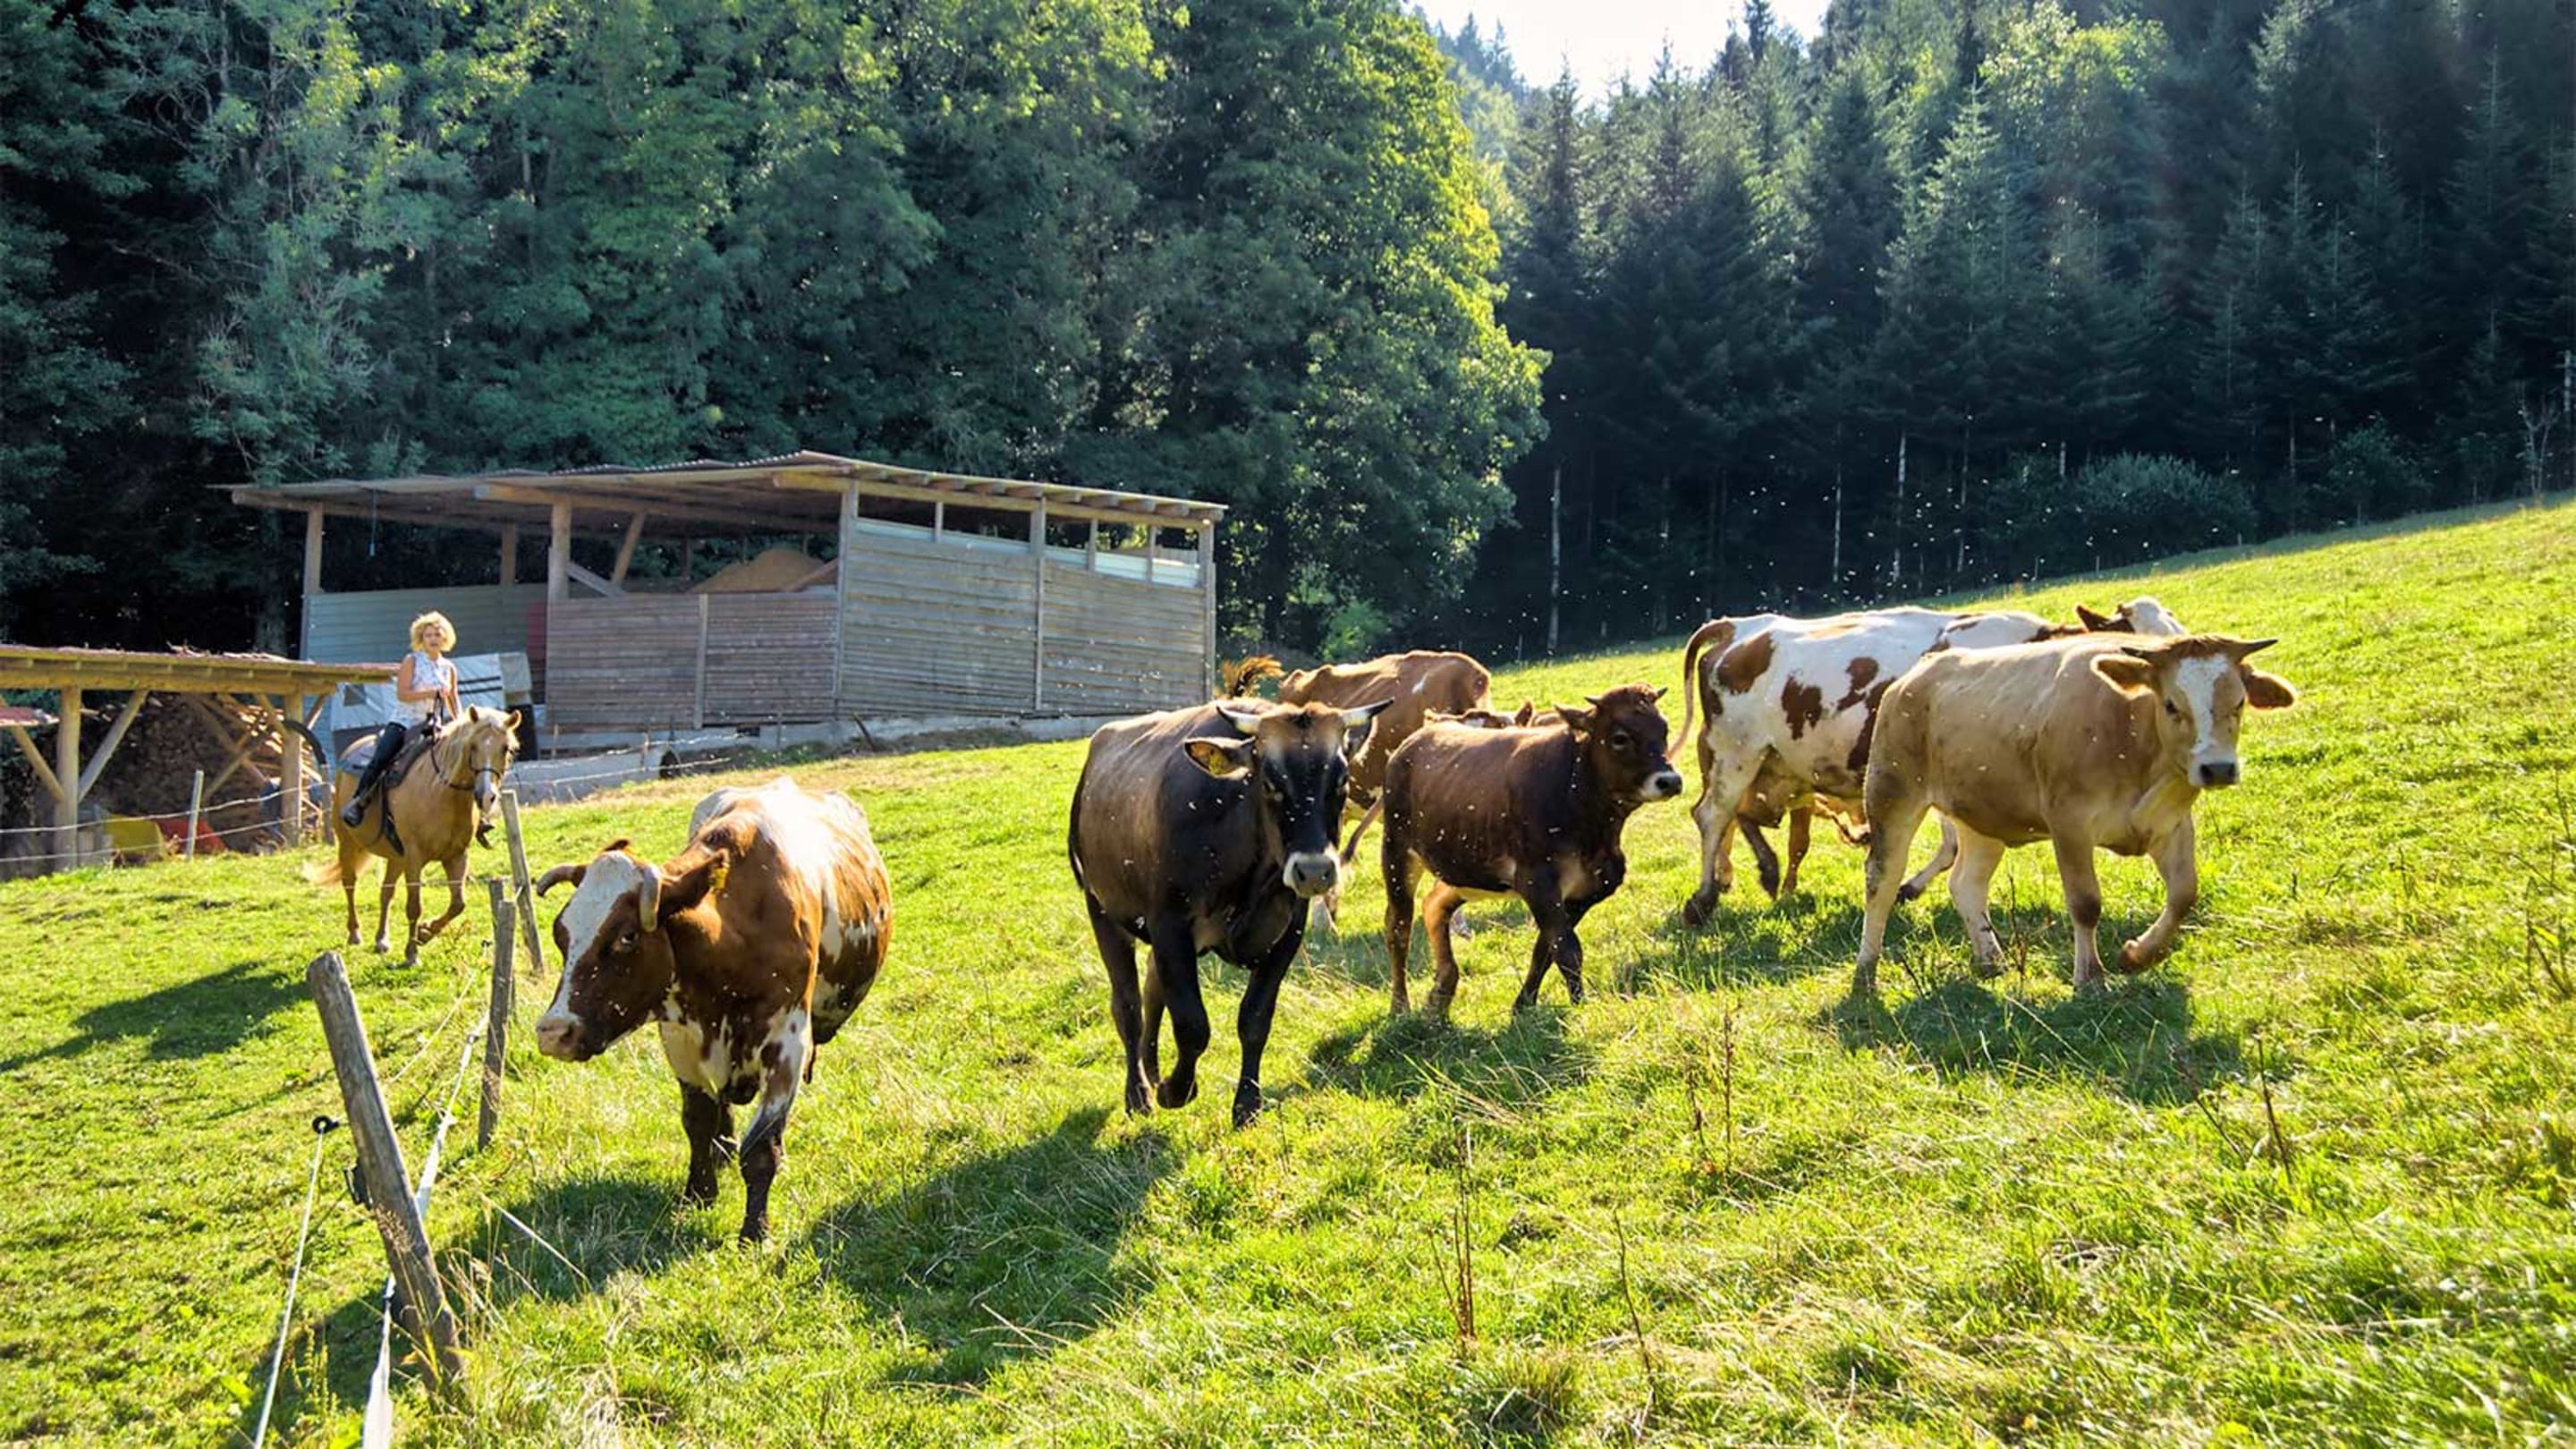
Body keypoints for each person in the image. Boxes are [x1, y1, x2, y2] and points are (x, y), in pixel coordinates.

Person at [341, 611, 462, 832]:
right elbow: (403, 695)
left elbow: (453, 699)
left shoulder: (449, 668)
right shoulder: (412, 661)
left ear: (445, 637)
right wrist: (431, 693)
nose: (433, 639)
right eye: (428, 635)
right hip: (404, 722)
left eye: (437, 634)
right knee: (382, 757)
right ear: (421, 638)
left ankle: (474, 814)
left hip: (433, 725)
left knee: (462, 759)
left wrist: (461, 725)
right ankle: (358, 802)